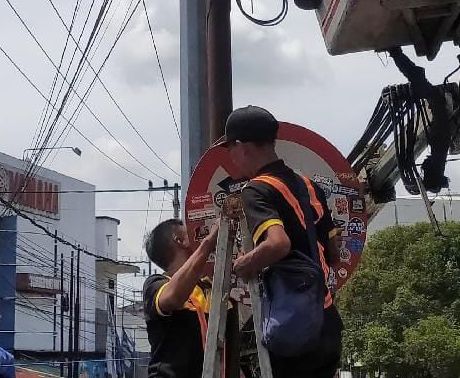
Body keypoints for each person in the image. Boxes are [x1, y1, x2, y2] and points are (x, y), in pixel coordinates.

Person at [225, 105, 342, 378]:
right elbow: (334, 254)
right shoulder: (308, 185)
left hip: (293, 324)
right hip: (326, 320)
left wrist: (244, 264)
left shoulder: (256, 190)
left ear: (242, 147)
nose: (231, 158)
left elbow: (278, 244)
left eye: (230, 149)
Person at [142, 219, 225, 378]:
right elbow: (173, 298)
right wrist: (209, 242)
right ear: (180, 240)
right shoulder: (155, 284)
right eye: (191, 231)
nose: (200, 234)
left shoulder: (209, 287)